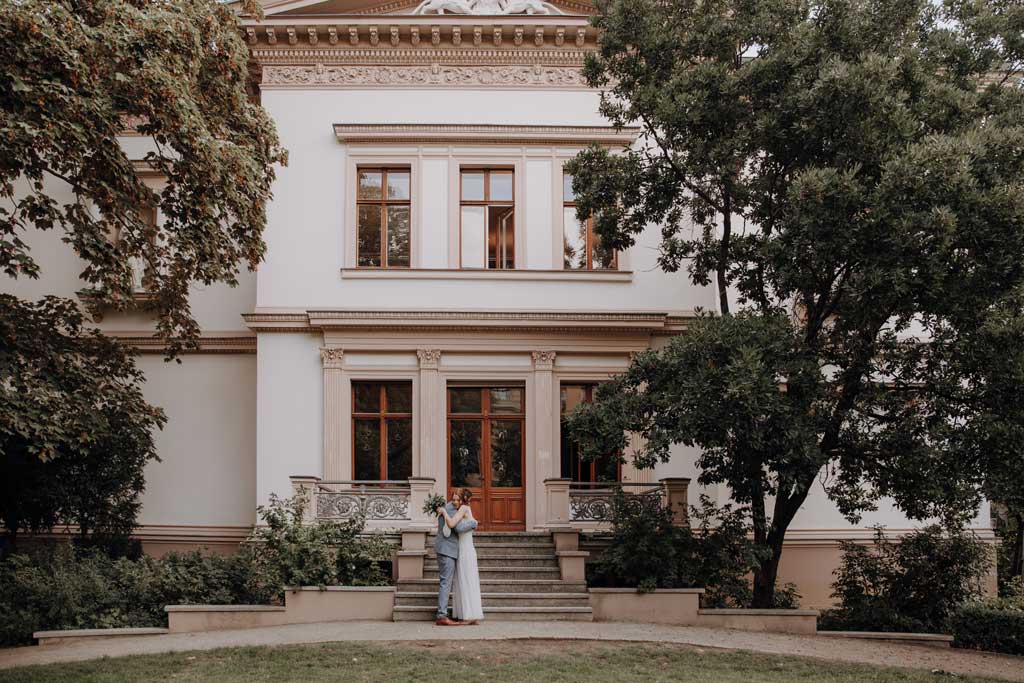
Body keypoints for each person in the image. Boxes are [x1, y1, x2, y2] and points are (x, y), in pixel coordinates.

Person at [434, 490, 478, 626]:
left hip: (448, 549)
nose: (455, 502)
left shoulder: (450, 507)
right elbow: (457, 527)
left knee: (447, 582)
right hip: (447, 550)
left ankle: (450, 613)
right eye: (453, 499)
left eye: (457, 499)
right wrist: (474, 523)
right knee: (446, 582)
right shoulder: (451, 508)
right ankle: (441, 615)